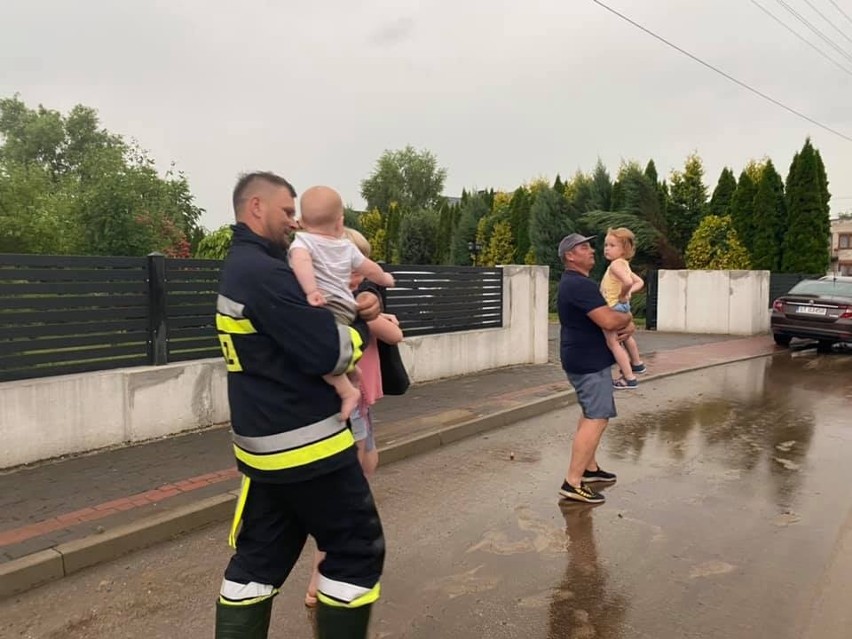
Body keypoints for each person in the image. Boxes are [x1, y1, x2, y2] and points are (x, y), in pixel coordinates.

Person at [214, 172, 384, 639]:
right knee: (355, 549)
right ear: (256, 208)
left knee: (256, 563)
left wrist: (364, 297)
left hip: (264, 449)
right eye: (287, 211)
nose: (294, 222)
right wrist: (361, 329)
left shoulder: (244, 266)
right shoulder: (266, 275)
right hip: (308, 446)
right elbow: (327, 350)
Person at [305, 227, 404, 607]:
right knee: (344, 498)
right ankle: (320, 581)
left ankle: (325, 578)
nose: (359, 276)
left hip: (358, 400)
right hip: (347, 402)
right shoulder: (337, 301)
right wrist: (385, 321)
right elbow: (391, 335)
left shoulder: (345, 297)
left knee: (364, 468)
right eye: (351, 266)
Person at [289, 186, 396, 420]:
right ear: (340, 222)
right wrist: (385, 279)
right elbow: (370, 267)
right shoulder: (346, 246)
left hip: (328, 309)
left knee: (320, 353)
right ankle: (352, 371)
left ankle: (347, 390)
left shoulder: (302, 243)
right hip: (346, 308)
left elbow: (301, 263)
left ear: (301, 221)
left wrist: (311, 291)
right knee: (337, 346)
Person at [557, 233, 635, 504]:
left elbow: (609, 320)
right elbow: (609, 320)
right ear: (570, 255)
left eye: (591, 246)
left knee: (590, 412)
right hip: (587, 362)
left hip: (583, 358)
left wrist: (622, 320)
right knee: (597, 417)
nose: (592, 251)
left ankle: (589, 470)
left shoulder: (577, 283)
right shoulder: (579, 285)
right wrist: (627, 318)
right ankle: (572, 482)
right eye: (584, 247)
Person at [600, 227, 646, 389]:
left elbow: (627, 283)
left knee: (613, 342)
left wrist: (623, 294)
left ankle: (628, 377)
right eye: (606, 245)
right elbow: (639, 282)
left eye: (612, 246)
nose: (607, 248)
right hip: (621, 306)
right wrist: (628, 295)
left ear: (624, 249)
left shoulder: (615, 266)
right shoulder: (624, 264)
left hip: (612, 307)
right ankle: (637, 363)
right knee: (626, 336)